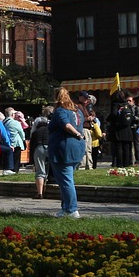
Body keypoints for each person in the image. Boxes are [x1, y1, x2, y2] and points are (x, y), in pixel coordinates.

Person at [47, 88, 87, 218]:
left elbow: (66, 125)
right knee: (67, 179)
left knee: (65, 181)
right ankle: (65, 208)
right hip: (77, 149)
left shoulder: (60, 111)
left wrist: (76, 133)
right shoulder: (78, 111)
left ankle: (71, 209)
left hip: (63, 149)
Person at [107, 91, 136, 167]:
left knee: (119, 147)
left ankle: (120, 164)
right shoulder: (127, 105)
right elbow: (132, 116)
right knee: (126, 148)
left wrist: (108, 119)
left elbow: (113, 114)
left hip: (118, 129)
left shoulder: (115, 104)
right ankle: (127, 163)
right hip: (127, 129)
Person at [28, 115, 51, 199]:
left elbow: (32, 146)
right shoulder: (50, 130)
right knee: (47, 169)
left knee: (40, 171)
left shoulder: (35, 132)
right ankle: (45, 185)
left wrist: (32, 161)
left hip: (39, 148)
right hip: (49, 148)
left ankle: (40, 193)